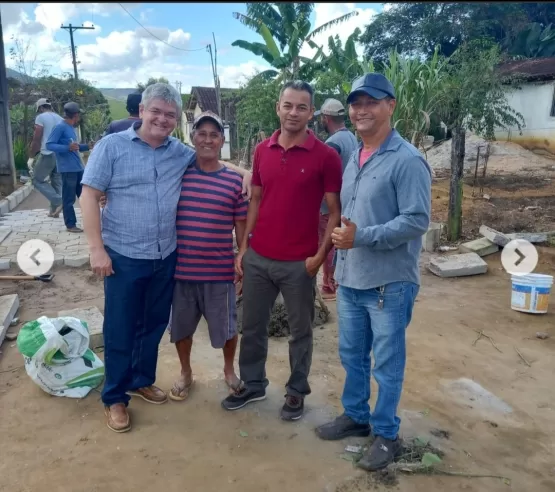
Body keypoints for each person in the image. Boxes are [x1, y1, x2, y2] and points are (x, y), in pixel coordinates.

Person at [79, 83, 251, 433]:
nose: (162, 118)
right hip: (124, 256)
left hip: (165, 257)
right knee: (120, 326)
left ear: (176, 121)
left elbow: (211, 159)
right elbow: (89, 195)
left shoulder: (179, 152)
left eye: (169, 114)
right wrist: (96, 248)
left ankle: (141, 379)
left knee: (153, 325)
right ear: (141, 111)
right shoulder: (111, 147)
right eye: (155, 111)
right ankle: (114, 397)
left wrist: (246, 173)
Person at [314, 73, 432, 471]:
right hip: (350, 278)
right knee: (351, 354)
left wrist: (362, 236)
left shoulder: (407, 160)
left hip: (388, 283)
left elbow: (416, 221)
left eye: (371, 101)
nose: (361, 109)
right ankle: (356, 417)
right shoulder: (356, 157)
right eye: (356, 102)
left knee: (387, 362)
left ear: (391, 106)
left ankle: (386, 433)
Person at [221, 80, 343, 421]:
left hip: (299, 263)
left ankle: (295, 391)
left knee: (300, 331)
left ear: (311, 113)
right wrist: (244, 248)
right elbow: (255, 199)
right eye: (288, 105)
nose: (293, 112)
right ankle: (254, 383)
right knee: (253, 325)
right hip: (259, 257)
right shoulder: (263, 150)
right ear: (278, 107)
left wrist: (319, 258)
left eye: (301, 106)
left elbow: (334, 210)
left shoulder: (326, 156)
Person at [168, 111, 247, 401]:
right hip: (181, 272)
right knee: (181, 329)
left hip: (219, 272)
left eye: (214, 134)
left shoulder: (234, 182)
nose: (207, 139)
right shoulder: (178, 176)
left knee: (227, 329)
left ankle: (228, 370)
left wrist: (242, 261)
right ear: (192, 137)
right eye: (202, 133)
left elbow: (241, 229)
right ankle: (186, 371)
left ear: (222, 141)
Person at [314, 98, 358, 301]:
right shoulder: (351, 137)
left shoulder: (332, 143)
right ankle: (336, 280)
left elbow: (321, 174)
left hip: (329, 203)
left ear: (326, 118)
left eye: (322, 118)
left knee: (327, 241)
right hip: (346, 200)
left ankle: (328, 284)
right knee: (338, 240)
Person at [46, 102, 91, 233]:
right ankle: (70, 225)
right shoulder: (60, 127)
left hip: (78, 167)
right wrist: (66, 148)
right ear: (75, 115)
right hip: (67, 169)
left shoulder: (71, 128)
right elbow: (50, 145)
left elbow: (74, 146)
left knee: (85, 197)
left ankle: (90, 222)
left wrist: (88, 146)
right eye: (79, 115)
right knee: (69, 199)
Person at [27, 98, 64, 218]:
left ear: (41, 108)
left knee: (37, 180)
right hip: (59, 154)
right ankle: (54, 212)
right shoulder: (60, 118)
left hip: (47, 153)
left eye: (39, 110)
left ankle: (59, 200)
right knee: (57, 181)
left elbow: (37, 137)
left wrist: (31, 156)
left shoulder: (41, 117)